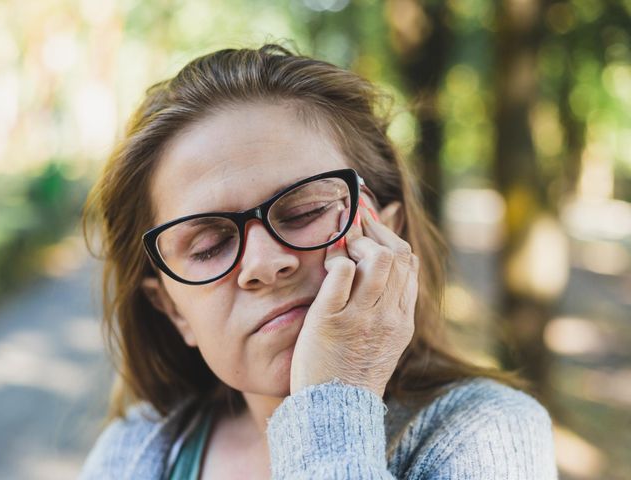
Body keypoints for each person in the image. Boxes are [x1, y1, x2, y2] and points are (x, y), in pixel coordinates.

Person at [78, 43, 557, 479]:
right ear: (172, 308)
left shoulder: (488, 433)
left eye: (305, 211)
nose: (264, 263)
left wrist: (330, 406)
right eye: (208, 246)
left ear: (392, 231)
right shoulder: (134, 450)